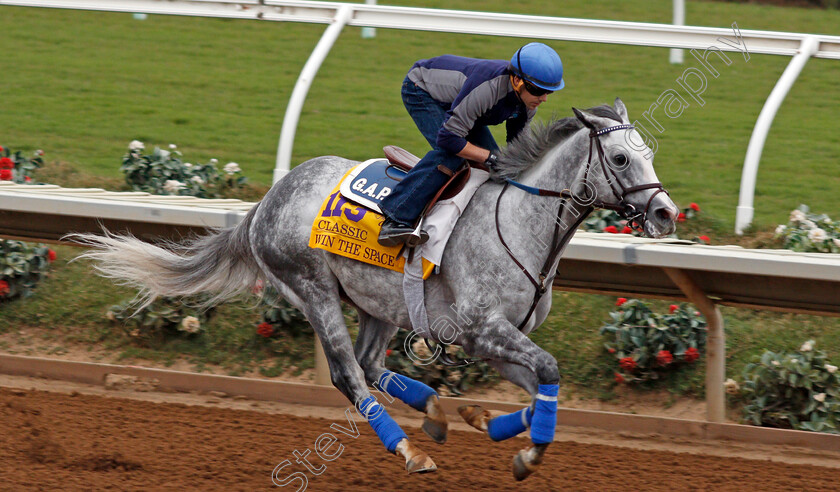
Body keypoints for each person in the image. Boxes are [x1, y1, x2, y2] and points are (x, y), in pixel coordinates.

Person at [377, 42, 565, 247]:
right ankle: (396, 217)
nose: (544, 98)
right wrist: (488, 157)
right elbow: (449, 138)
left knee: (499, 165)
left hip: (461, 104)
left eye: (549, 92)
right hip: (422, 90)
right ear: (517, 80)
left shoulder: (528, 102)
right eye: (539, 90)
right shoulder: (489, 89)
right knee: (453, 155)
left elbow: (518, 151)